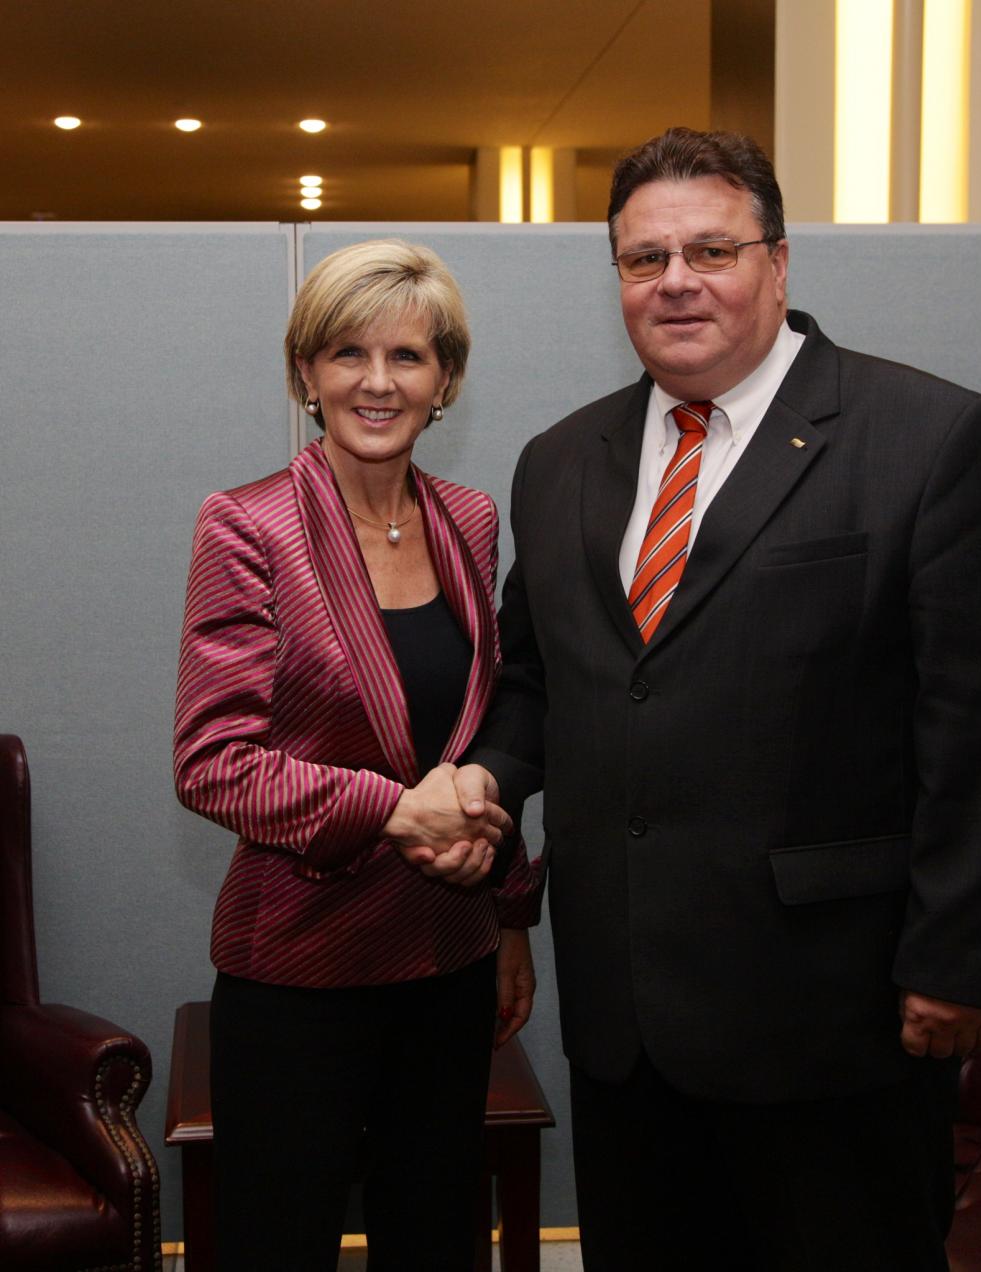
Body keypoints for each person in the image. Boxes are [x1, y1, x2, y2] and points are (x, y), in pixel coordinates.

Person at [455, 128, 981, 1270]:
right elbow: (544, 678)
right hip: (626, 1018)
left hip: (835, 1017)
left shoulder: (928, 438)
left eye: (711, 249)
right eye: (644, 260)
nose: (676, 280)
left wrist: (960, 960)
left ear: (778, 264)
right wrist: (487, 780)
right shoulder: (561, 461)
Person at [173, 238, 540, 1272]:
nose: (377, 383)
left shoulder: (469, 520)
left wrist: (509, 908)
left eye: (409, 357)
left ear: (447, 380)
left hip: (449, 956)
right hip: (302, 966)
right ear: (306, 374)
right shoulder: (249, 525)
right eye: (346, 354)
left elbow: (479, 734)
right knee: (279, 1243)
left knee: (435, 1239)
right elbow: (212, 758)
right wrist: (391, 810)